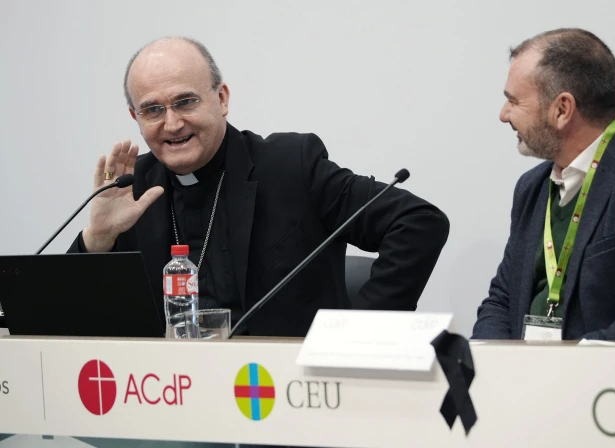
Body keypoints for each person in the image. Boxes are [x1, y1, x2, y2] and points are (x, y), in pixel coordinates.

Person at [68, 36, 450, 337]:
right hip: (170, 396)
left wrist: (358, 335)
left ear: (221, 99)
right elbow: (67, 321)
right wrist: (96, 239)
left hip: (281, 395)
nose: (171, 124)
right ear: (135, 117)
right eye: (153, 110)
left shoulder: (289, 166)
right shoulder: (131, 188)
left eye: (185, 101)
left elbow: (418, 222)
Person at [472, 28, 615, 340]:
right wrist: (490, 368)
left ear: (562, 109)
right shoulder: (532, 187)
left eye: (513, 101)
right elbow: (501, 302)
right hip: (520, 381)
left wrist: (559, 373)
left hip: (601, 384)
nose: (503, 115)